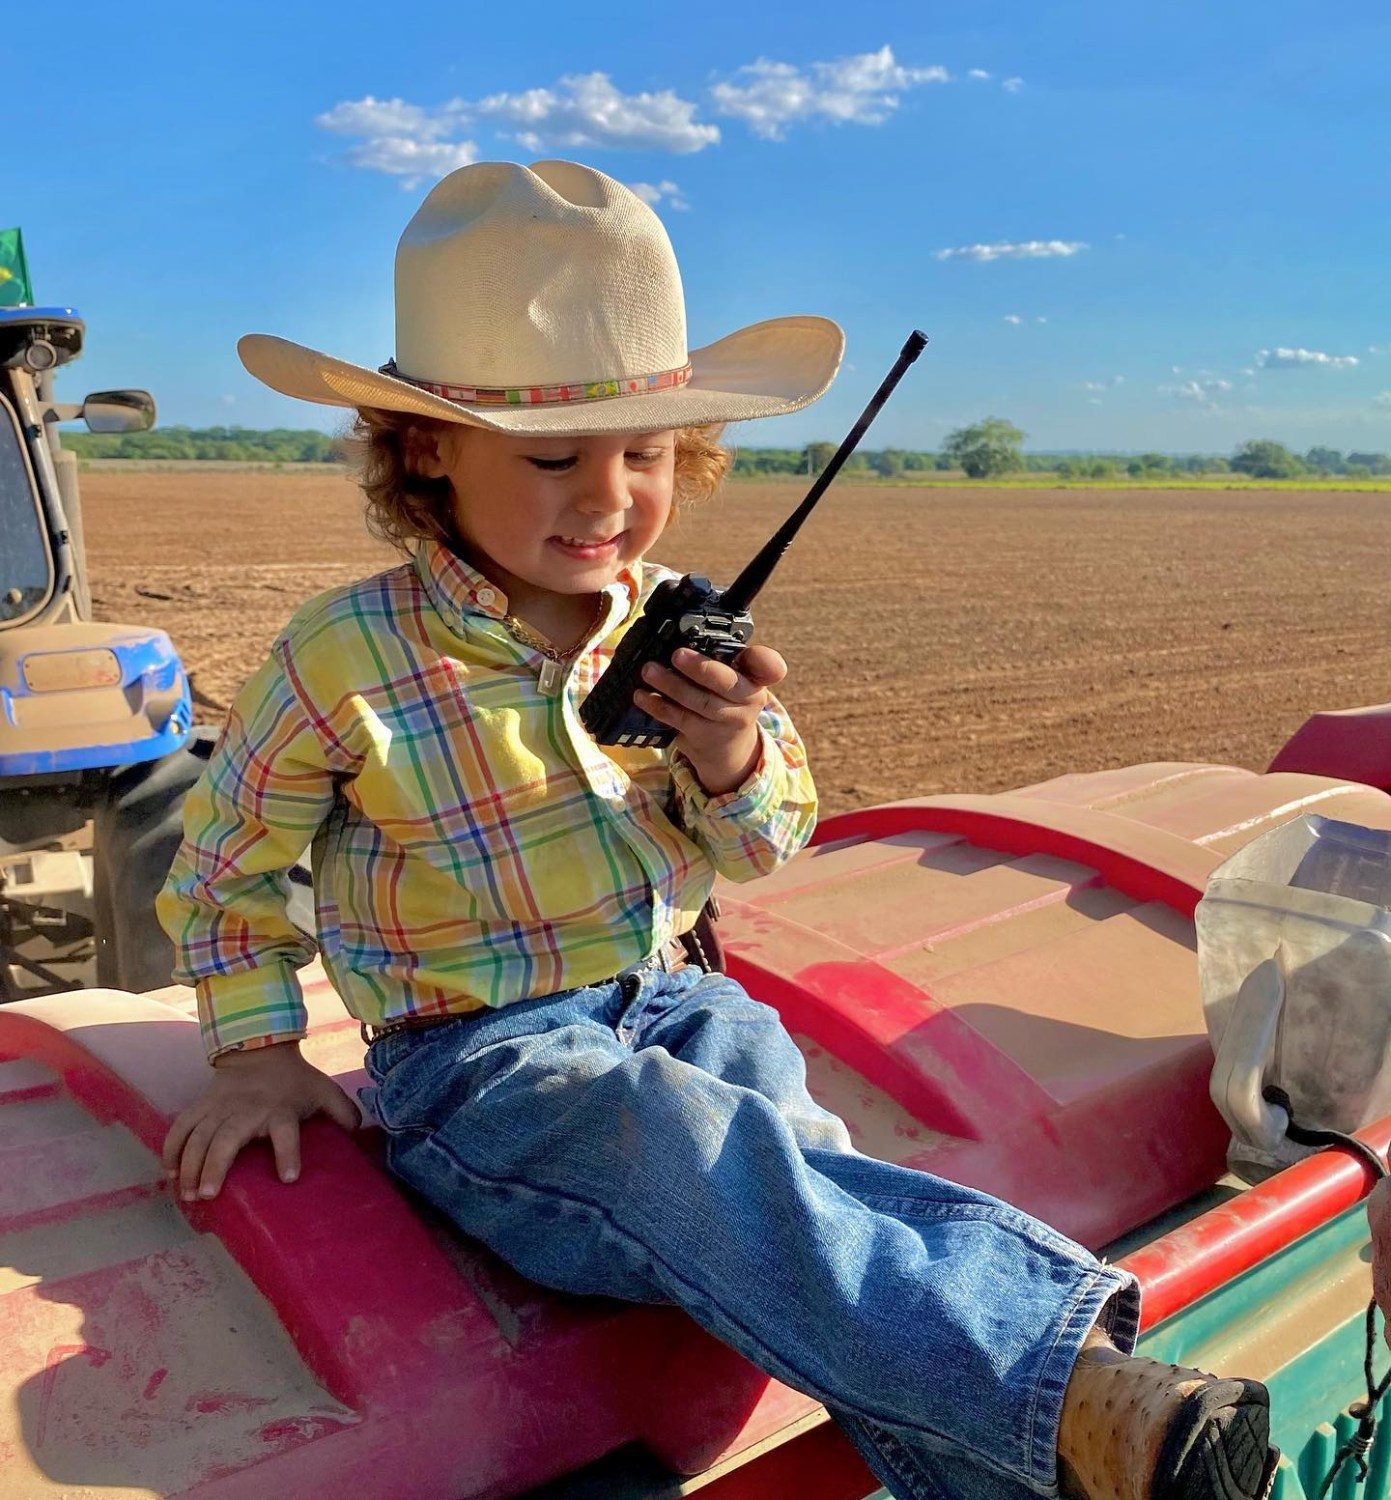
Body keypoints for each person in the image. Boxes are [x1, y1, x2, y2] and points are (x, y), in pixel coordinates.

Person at [158, 159, 1277, 1500]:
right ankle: (1085, 1392)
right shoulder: (343, 656)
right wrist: (257, 1051)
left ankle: (1047, 1443)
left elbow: (762, 847)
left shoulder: (678, 623)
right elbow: (228, 864)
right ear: (427, 449)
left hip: (685, 1003)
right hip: (481, 1068)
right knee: (695, 1148)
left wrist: (731, 750)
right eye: (556, 458)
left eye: (646, 456)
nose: (607, 498)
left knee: (798, 1166)